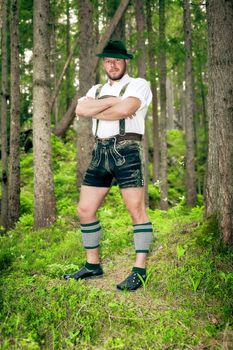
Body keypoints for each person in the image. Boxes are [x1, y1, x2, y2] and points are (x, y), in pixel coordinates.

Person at [64, 40, 153, 291]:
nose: (111, 64)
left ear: (126, 61)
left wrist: (104, 108)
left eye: (116, 60)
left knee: (136, 210)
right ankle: (93, 266)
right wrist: (114, 103)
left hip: (127, 150)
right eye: (107, 60)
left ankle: (139, 270)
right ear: (103, 63)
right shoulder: (95, 88)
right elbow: (81, 108)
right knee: (84, 210)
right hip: (99, 151)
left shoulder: (139, 84)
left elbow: (126, 109)